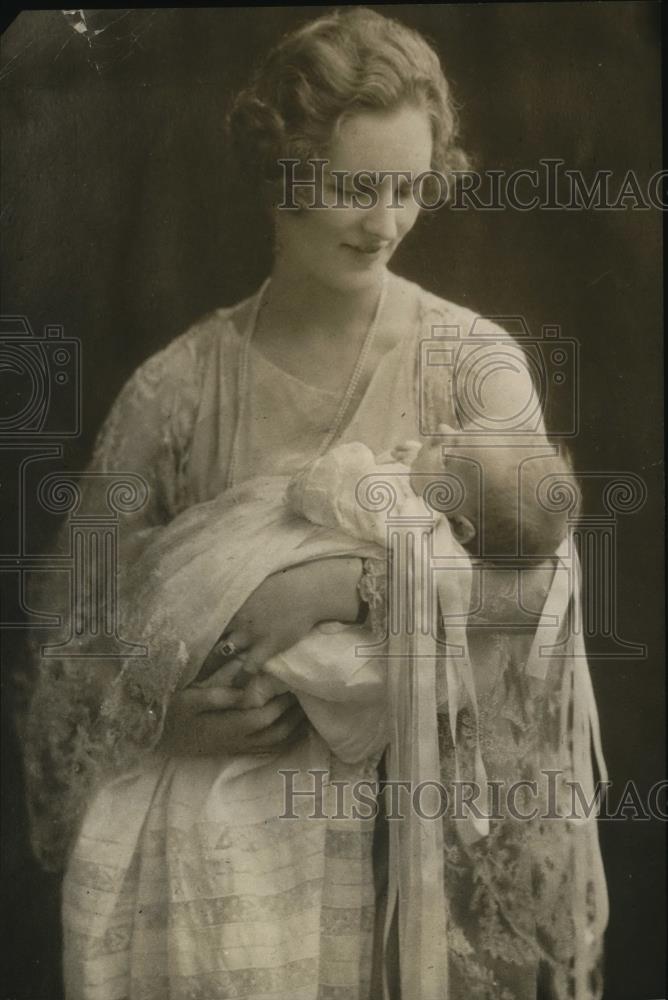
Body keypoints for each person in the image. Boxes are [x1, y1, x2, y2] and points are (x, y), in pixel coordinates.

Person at [21, 8, 608, 999]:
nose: (383, 222)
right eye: (351, 188)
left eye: (408, 189)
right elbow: (68, 633)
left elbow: (535, 605)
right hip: (221, 843)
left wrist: (352, 583)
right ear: (280, 169)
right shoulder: (177, 390)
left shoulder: (473, 366)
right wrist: (167, 718)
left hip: (408, 837)